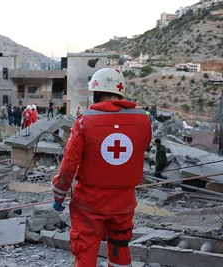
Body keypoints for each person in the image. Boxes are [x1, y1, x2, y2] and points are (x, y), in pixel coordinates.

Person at [51, 68, 152, 267]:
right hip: (124, 202)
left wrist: (59, 195)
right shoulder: (143, 120)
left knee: (85, 249)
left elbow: (68, 167)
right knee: (120, 246)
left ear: (96, 93)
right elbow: (143, 147)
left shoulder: (84, 122)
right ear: (120, 91)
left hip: (89, 202)